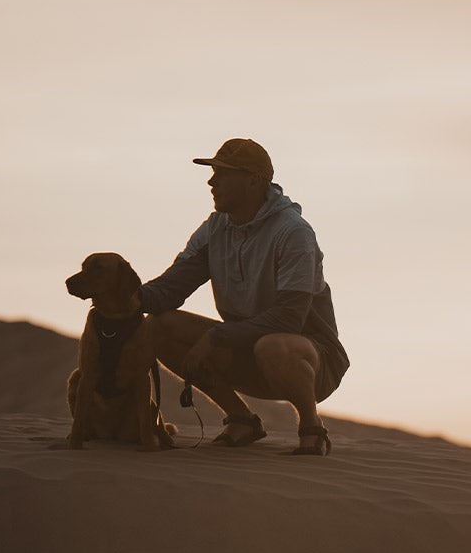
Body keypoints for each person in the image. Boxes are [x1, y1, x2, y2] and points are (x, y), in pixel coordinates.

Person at [140, 139, 349, 455]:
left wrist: (216, 336)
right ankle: (241, 420)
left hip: (310, 360)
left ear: (253, 181)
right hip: (243, 349)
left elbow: (289, 318)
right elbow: (170, 289)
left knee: (275, 345)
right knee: (157, 326)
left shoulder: (293, 232)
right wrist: (121, 293)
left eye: (222, 173)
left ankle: (312, 427)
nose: (211, 182)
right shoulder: (215, 228)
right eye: (213, 173)